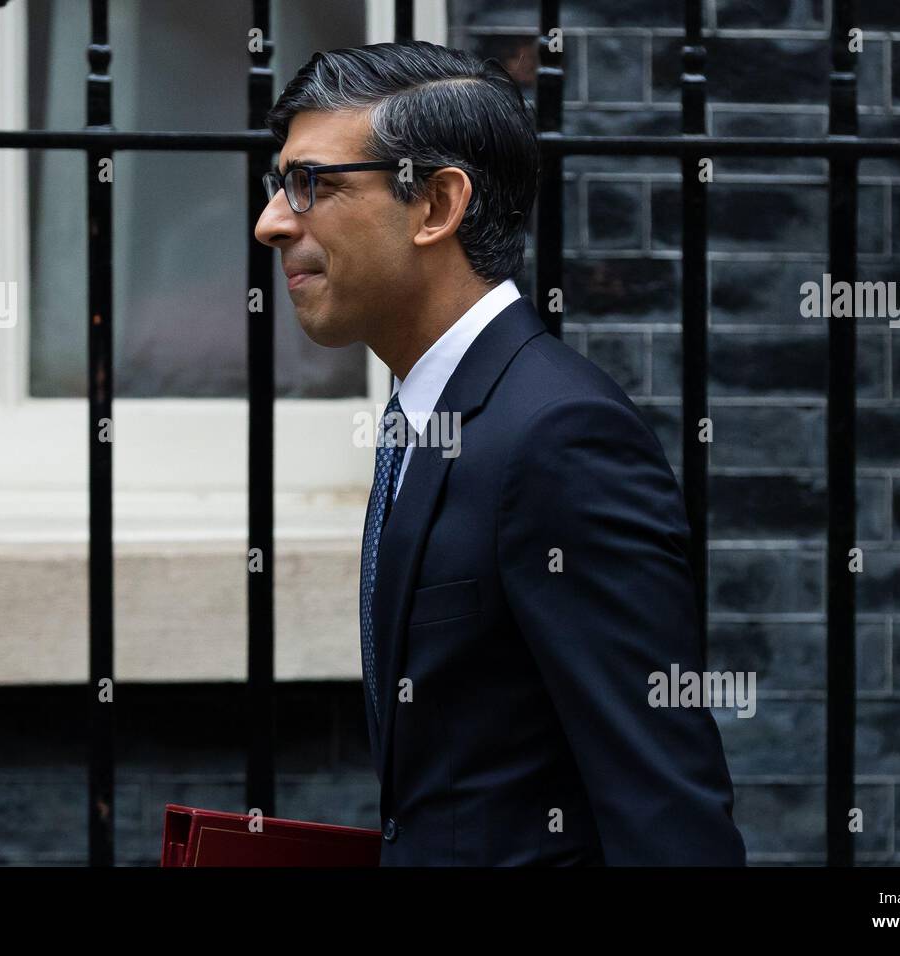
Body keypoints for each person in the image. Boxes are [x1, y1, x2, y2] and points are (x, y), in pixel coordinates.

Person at [254, 40, 746, 866]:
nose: (271, 221)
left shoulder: (558, 436)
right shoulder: (429, 409)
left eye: (313, 184)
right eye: (278, 185)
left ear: (436, 206)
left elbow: (665, 806)